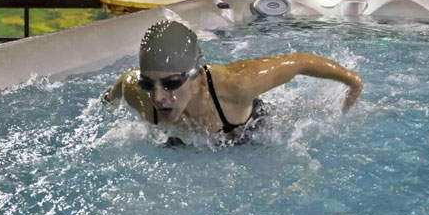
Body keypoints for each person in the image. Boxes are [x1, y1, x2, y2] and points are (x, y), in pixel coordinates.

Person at [102, 18, 363, 146]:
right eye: (149, 84)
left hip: (249, 132)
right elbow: (124, 81)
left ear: (196, 78)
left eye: (170, 84)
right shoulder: (138, 93)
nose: (158, 97)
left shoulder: (237, 85)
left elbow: (299, 62)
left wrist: (353, 83)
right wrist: (107, 101)